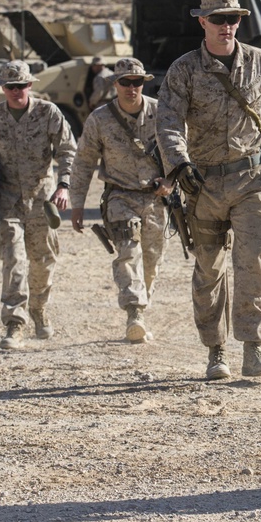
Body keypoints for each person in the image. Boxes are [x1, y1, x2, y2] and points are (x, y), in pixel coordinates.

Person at [156, 0, 261, 381]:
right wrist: (179, 165)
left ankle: (254, 349)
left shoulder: (260, 63)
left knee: (253, 261)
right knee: (209, 269)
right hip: (203, 185)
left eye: (233, 19)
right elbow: (167, 122)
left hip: (251, 180)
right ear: (203, 22)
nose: (227, 26)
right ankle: (215, 351)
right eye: (218, 19)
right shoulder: (183, 70)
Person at [0, 60, 77, 350]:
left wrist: (64, 185)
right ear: (3, 88)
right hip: (7, 201)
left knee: (43, 261)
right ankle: (14, 323)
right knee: (14, 261)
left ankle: (39, 310)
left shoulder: (48, 112)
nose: (17, 91)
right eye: (10, 86)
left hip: (42, 199)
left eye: (22, 86)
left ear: (30, 86)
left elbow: (68, 150)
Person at [69, 58, 172, 344]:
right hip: (119, 197)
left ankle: (140, 308)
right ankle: (134, 313)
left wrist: (171, 181)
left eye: (136, 82)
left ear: (144, 83)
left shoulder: (161, 113)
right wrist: (77, 204)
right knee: (128, 251)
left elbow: (179, 151)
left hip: (155, 200)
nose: (131, 88)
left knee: (151, 261)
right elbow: (83, 162)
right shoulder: (100, 119)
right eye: (125, 82)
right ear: (115, 84)